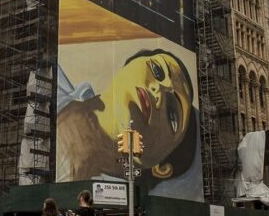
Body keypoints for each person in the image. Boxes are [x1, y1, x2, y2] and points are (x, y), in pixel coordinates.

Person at [56, 49, 197, 185]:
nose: (159, 89)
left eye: (171, 115)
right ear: (129, 65)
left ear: (162, 168)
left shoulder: (111, 197)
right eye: (157, 70)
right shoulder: (48, 77)